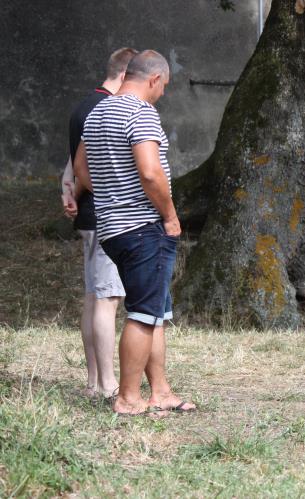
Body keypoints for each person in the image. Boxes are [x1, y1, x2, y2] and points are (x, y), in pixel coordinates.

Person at [75, 50, 195, 416]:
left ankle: (159, 391)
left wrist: (113, 194)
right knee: (143, 313)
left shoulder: (99, 112)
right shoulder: (140, 112)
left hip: (112, 228)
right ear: (154, 79)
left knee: (155, 309)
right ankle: (128, 397)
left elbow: (81, 167)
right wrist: (170, 217)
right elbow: (150, 173)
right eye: (164, 88)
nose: (162, 95)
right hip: (143, 227)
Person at [61, 47, 138, 399]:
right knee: (108, 299)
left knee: (94, 297)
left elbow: (73, 161)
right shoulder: (105, 107)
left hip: (91, 215)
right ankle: (108, 383)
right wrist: (110, 194)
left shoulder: (82, 106)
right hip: (106, 215)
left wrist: (71, 193)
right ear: (124, 75)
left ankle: (93, 381)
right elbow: (83, 164)